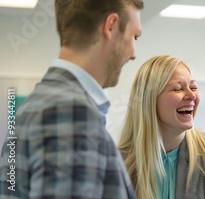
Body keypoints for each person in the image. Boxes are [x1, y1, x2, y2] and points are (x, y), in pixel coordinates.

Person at [0, 0, 143, 198]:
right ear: (110, 25)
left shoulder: (40, 102)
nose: (134, 53)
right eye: (133, 36)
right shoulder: (71, 111)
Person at [118, 55, 205, 199]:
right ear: (149, 100)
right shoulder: (119, 162)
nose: (191, 95)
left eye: (193, 87)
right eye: (177, 89)